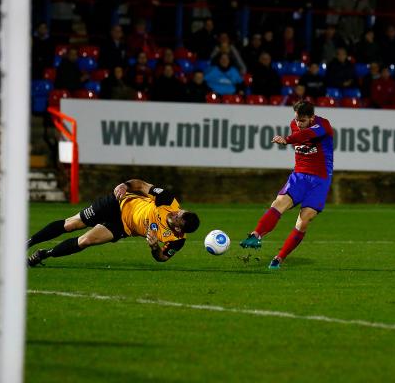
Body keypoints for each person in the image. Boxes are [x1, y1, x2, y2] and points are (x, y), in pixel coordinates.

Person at [239, 100, 334, 269]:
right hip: (299, 175)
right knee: (279, 203)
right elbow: (300, 134)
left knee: (304, 220)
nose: (298, 123)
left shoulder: (323, 125)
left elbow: (306, 136)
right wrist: (290, 137)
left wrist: (287, 140)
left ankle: (279, 257)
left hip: (320, 179)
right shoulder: (294, 124)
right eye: (297, 119)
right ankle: (256, 234)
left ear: (312, 118)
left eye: (303, 120)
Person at [27, 179, 200, 266]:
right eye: (179, 211)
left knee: (85, 241)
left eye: (177, 217)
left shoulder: (177, 240)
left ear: (178, 228)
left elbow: (162, 258)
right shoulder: (168, 201)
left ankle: (44, 254)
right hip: (118, 204)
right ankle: (28, 242)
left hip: (122, 227)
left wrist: (155, 247)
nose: (175, 212)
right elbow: (140, 185)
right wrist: (125, 185)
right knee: (71, 224)